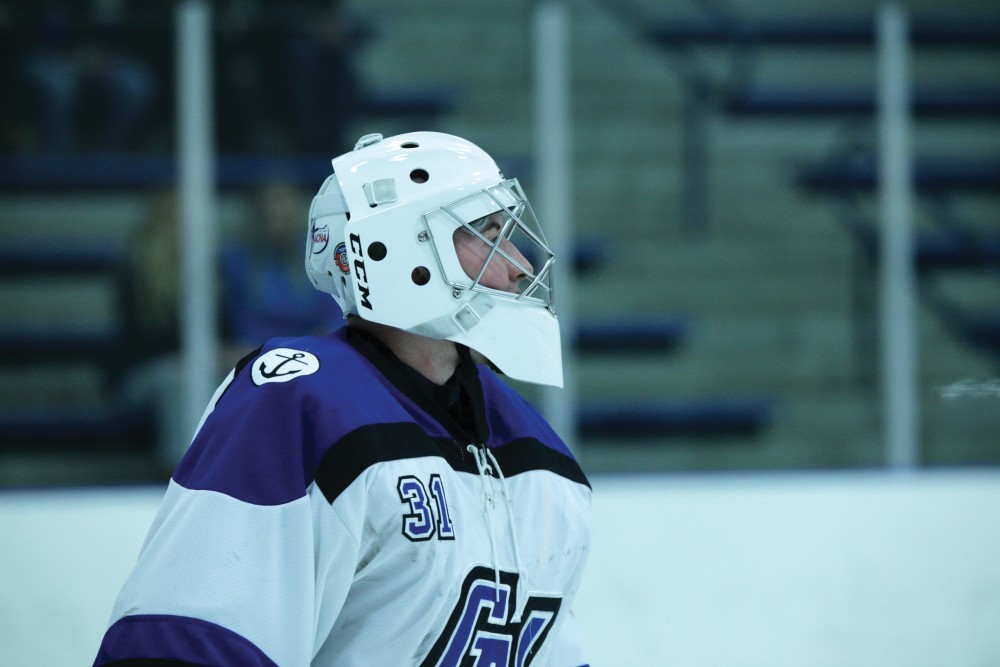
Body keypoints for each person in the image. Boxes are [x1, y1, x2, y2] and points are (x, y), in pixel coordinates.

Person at [93, 131, 593, 666]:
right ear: (405, 252)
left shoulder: (542, 455)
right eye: (489, 231)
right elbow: (187, 640)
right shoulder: (300, 404)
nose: (517, 262)